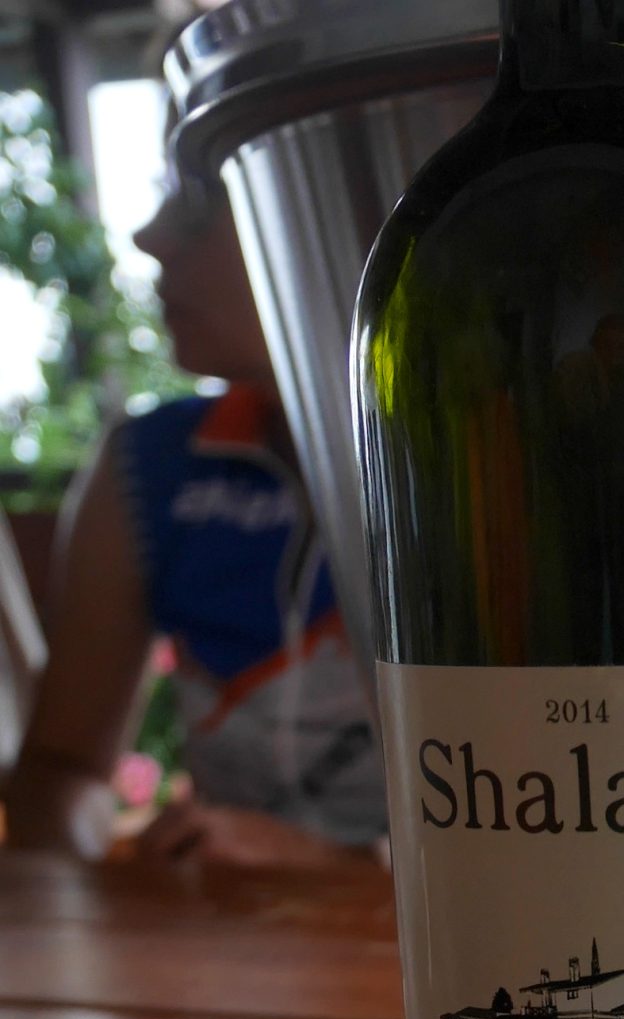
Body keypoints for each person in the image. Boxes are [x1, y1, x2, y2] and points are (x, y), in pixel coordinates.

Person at [5, 174, 387, 868]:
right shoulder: (148, 460)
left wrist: (334, 865)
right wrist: (108, 884)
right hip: (226, 927)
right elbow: (60, 771)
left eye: (199, 200)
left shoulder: (500, 460)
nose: (148, 236)